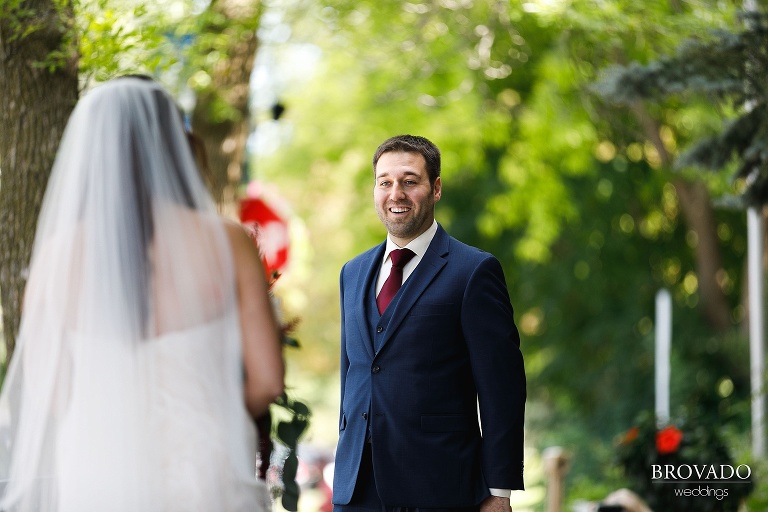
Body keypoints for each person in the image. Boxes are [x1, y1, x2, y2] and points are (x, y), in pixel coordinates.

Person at [0, 77, 285, 512]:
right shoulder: (228, 241)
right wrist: (210, 412)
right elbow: (267, 381)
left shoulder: (57, 257)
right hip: (206, 465)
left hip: (97, 469)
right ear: (172, 142)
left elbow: (51, 393)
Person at [333, 135, 526, 512]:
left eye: (410, 181)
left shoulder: (474, 271)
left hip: (440, 486)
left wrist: (499, 490)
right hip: (356, 489)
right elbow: (353, 374)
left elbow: (502, 387)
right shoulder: (352, 273)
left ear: (435, 188)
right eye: (385, 182)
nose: (396, 194)